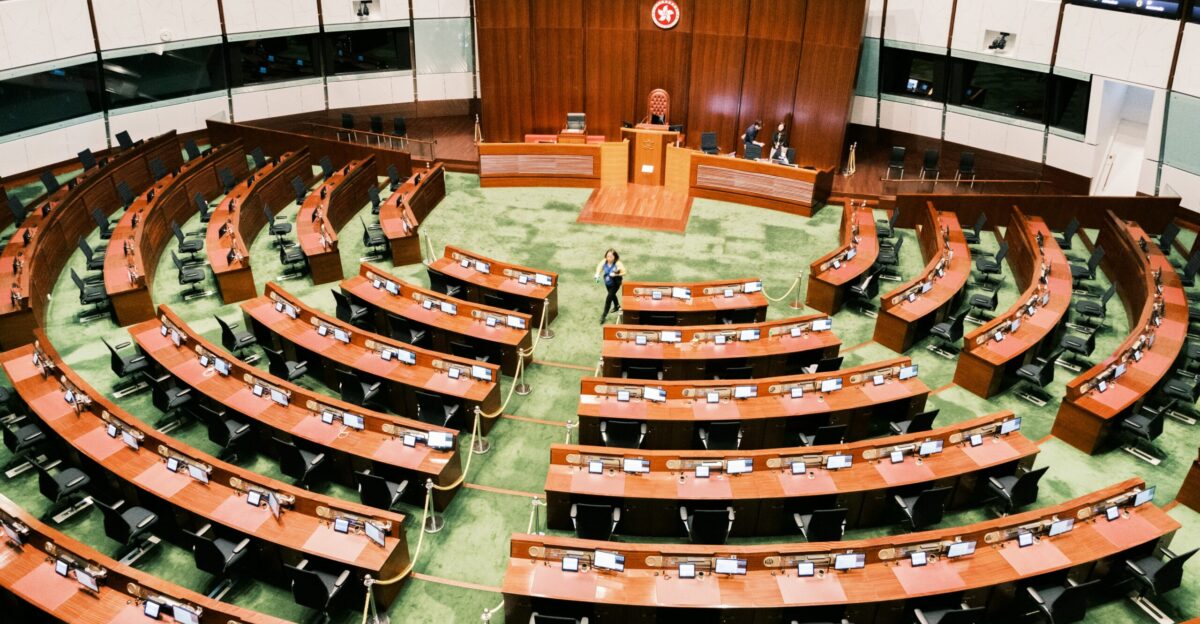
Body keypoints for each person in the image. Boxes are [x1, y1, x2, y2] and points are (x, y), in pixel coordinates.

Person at [594, 249, 627, 323]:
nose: (609, 258)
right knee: (612, 295)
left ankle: (603, 316)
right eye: (607, 256)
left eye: (611, 256)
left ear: (615, 257)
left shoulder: (618, 263)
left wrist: (616, 274)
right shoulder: (604, 261)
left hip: (616, 282)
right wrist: (597, 274)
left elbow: (624, 272)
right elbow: (599, 267)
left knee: (609, 298)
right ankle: (617, 306)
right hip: (607, 281)